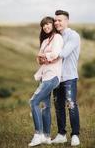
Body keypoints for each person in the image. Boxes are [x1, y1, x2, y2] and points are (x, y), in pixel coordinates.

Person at [28, 16, 63, 147]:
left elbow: (55, 55)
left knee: (33, 102)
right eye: (44, 25)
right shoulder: (45, 41)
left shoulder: (58, 38)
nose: (46, 26)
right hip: (44, 76)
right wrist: (44, 57)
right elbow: (38, 59)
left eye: (48, 24)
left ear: (53, 25)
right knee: (46, 106)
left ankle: (38, 135)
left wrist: (45, 57)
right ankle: (47, 137)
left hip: (53, 76)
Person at [51, 10, 81, 146]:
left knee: (71, 105)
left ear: (67, 21)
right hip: (56, 77)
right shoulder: (55, 36)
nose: (57, 23)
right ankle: (61, 134)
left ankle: (75, 135)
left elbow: (63, 53)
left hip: (69, 77)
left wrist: (47, 55)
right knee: (58, 107)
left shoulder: (73, 35)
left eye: (60, 20)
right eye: (55, 20)